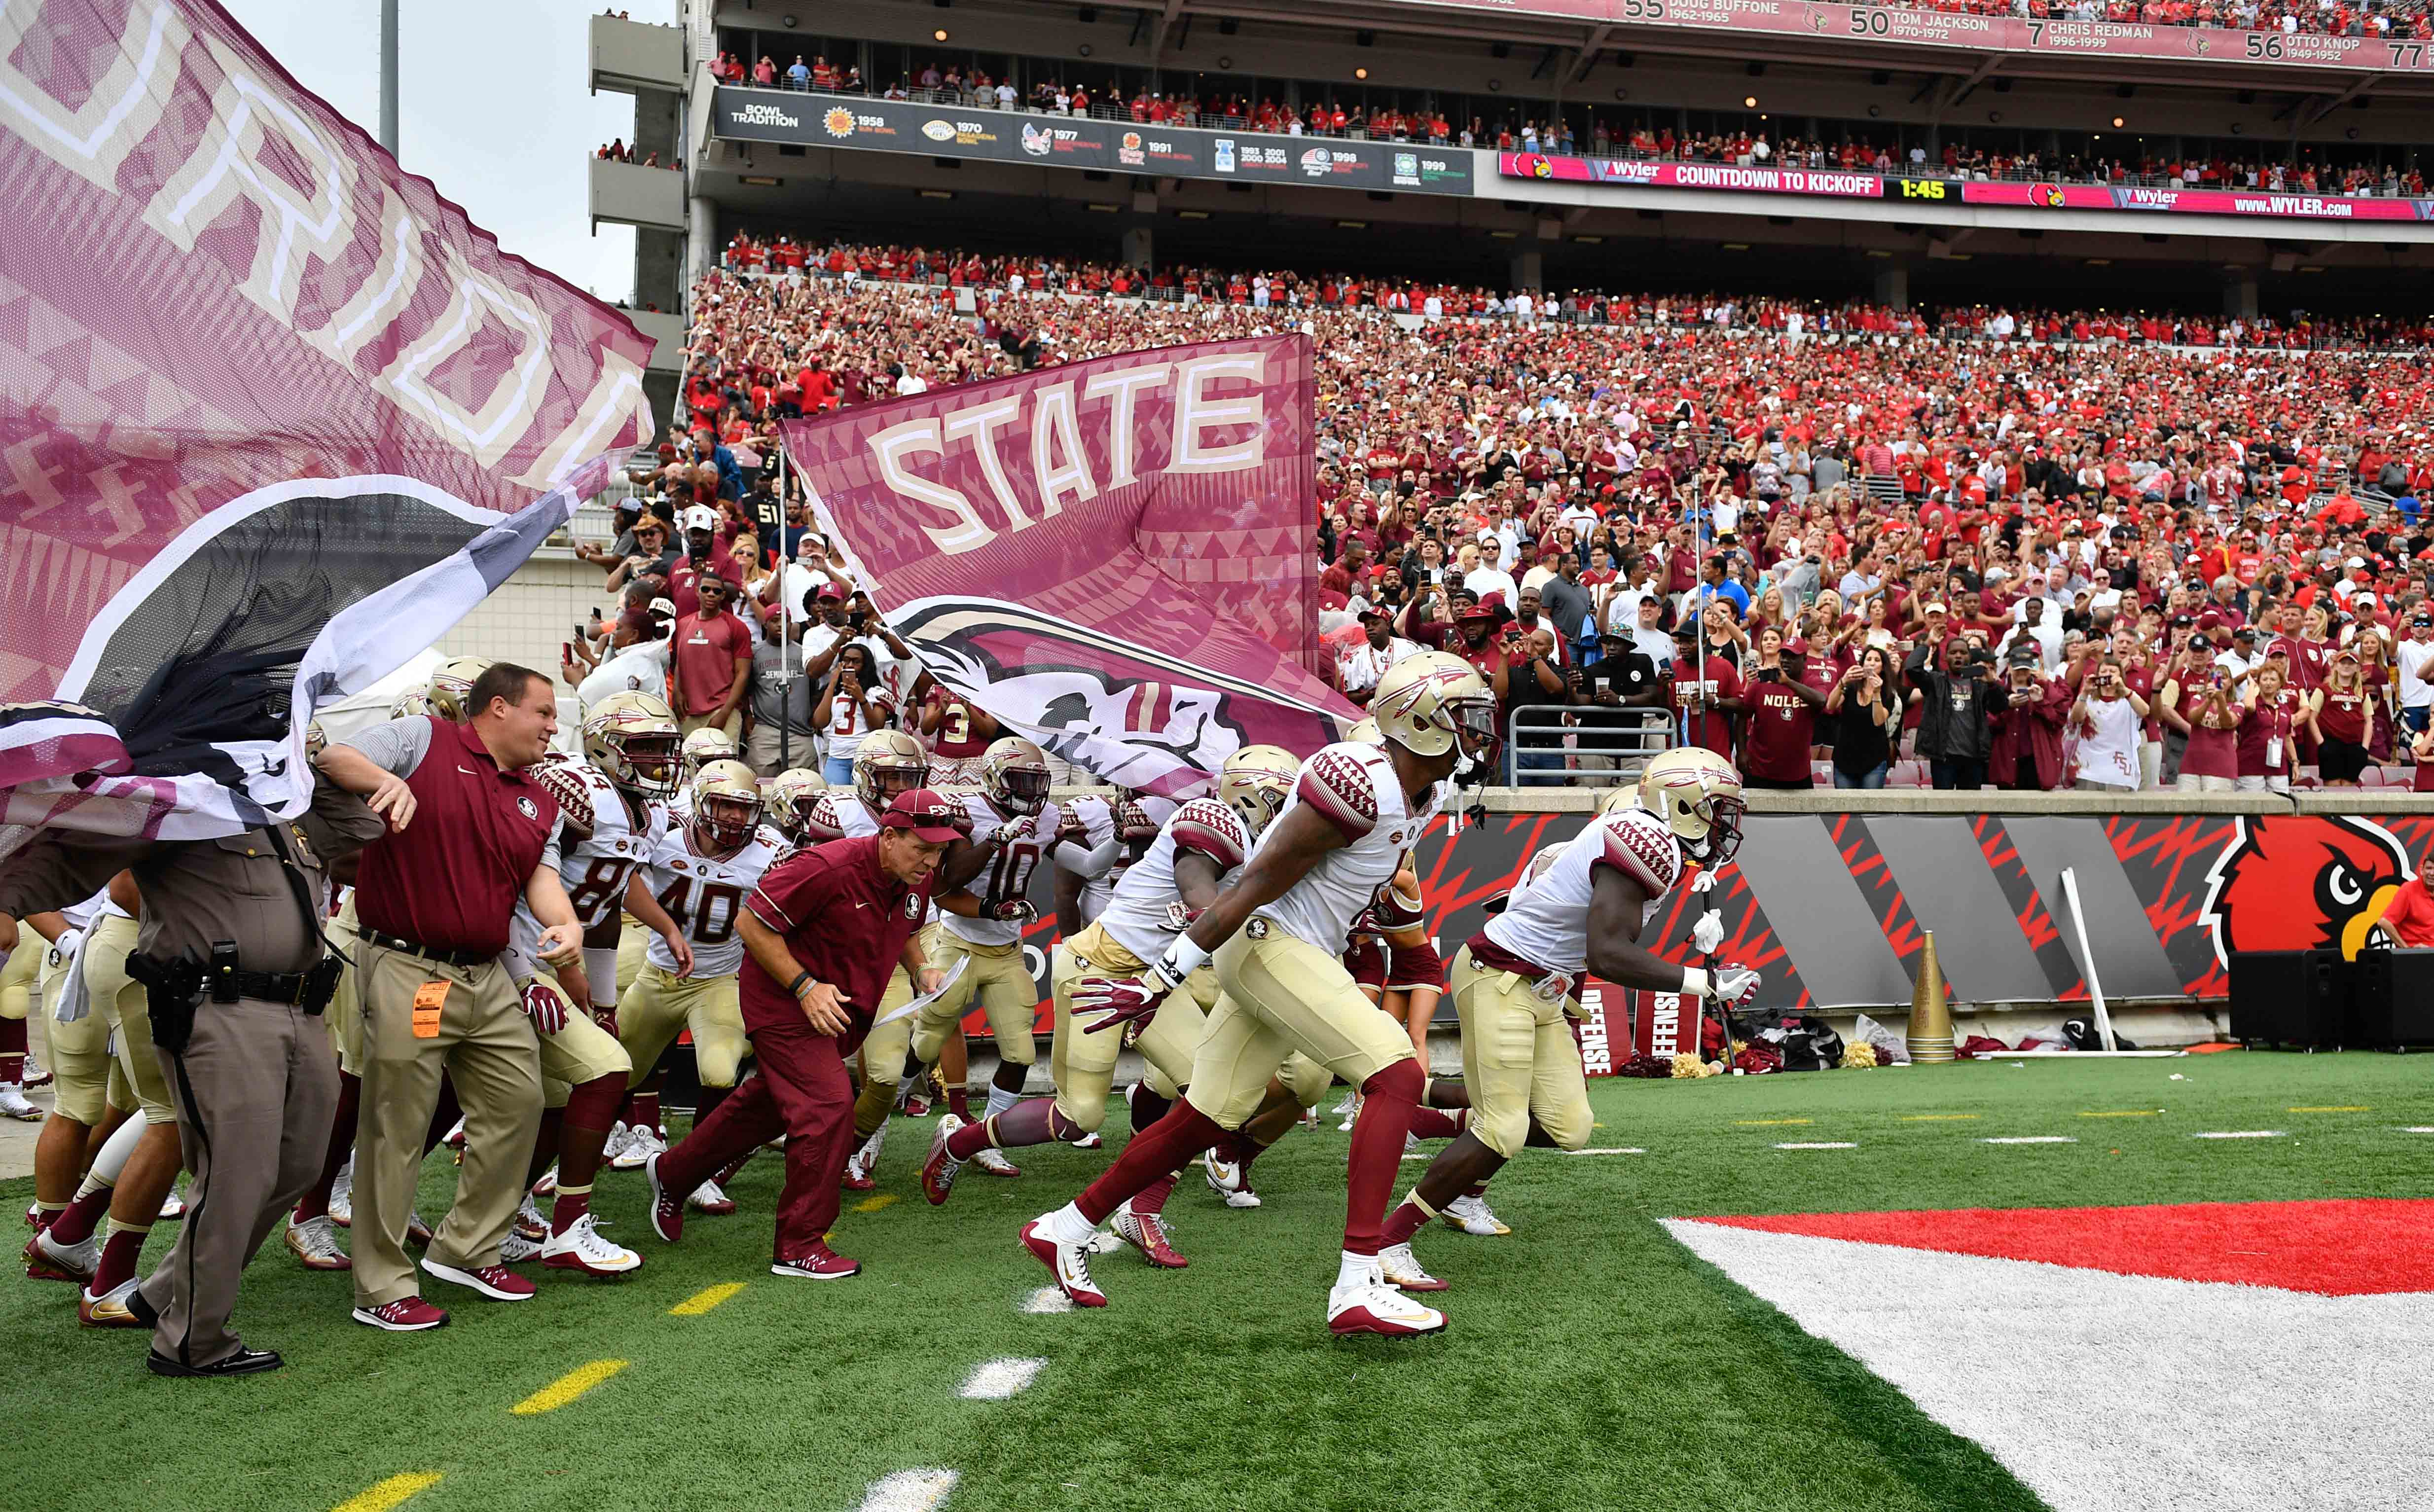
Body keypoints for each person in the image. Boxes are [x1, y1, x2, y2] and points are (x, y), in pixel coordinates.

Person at [1021, 652, 1498, 1337]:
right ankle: (1357, 1280)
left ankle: (1064, 1225)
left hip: (1292, 945)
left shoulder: (1421, 789)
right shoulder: (1359, 781)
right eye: (1466, 717)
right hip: (1271, 940)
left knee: (1207, 1116)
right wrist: (1165, 975)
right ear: (1420, 719)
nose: (1478, 731)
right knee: (1396, 1072)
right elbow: (1251, 886)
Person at [0, 748, 381, 1372]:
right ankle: (191, 1340)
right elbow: (68, 854)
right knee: (238, 1173)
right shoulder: (176, 802)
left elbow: (362, 833)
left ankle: (163, 1293)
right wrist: (6, 901)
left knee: (298, 1167)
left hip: (303, 1008)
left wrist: (338, 769)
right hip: (219, 1008)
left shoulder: (284, 804)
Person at [1378, 753, 1758, 1285]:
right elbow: (1607, 954)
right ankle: (1385, 1242)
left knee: (1569, 1126)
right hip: (1500, 976)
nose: (1725, 824)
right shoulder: (1646, 842)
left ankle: (1438, 1137)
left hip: (1542, 988)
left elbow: (1599, 943)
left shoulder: (1648, 837)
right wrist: (1705, 983)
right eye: (1719, 809)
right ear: (1683, 802)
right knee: (1503, 1127)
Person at [921, 749, 1298, 1269]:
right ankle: (960, 1143)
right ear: (1250, 795)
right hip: (1098, 968)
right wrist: (1223, 922)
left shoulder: (1259, 841)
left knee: (1208, 1097)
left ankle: (1140, 1212)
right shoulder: (1212, 819)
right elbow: (1198, 889)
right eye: (1280, 800)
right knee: (1080, 1117)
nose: (1288, 812)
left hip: (1155, 979)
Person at [315, 663, 586, 1332]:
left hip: (488, 971)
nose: (554, 727)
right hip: (411, 968)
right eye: (544, 713)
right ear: (498, 707)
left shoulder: (539, 797)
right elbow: (330, 754)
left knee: (519, 1101)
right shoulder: (422, 738)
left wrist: (566, 922)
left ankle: (466, 1246)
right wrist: (383, 781)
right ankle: (379, 1287)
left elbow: (541, 880)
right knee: (397, 1125)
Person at [643, 791, 958, 1278]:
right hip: (785, 1004)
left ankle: (671, 1172)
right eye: (923, 848)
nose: (932, 861)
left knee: (764, 1108)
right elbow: (751, 923)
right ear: (890, 837)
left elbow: (909, 931)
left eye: (940, 850)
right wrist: (805, 987)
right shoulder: (826, 867)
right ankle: (799, 1244)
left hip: (839, 1013)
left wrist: (921, 970)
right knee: (829, 1106)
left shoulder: (913, 875)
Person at [615, 759, 788, 1216]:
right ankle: (574, 1155)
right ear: (699, 802)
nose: (733, 817)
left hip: (718, 981)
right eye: (724, 805)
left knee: (719, 1072)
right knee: (616, 1075)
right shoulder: (664, 835)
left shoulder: (770, 850)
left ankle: (699, 1170)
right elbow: (622, 877)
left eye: (743, 808)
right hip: (658, 975)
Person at [1737, 625, 1826, 790]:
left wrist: (1788, 683)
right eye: (1784, 655)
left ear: (1805, 659)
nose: (1786, 660)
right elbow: (1742, 714)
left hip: (1797, 773)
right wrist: (1742, 753)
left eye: (1792, 657)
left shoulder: (1812, 682)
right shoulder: (1764, 680)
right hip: (1760, 770)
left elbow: (1821, 701)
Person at [667, 573, 753, 743]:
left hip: (723, 710)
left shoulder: (737, 627)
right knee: (689, 767)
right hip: (689, 712)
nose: (711, 594)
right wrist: (677, 692)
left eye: (717, 591)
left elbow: (743, 674)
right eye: (706, 590)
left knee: (722, 767)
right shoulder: (683, 624)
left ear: (723, 596)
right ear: (697, 592)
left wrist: (725, 713)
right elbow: (680, 662)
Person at [1907, 638, 2001, 791]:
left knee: (1971, 809)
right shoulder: (1936, 681)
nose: (1958, 656)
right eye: (1953, 652)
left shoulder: (1979, 683)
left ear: (1969, 657)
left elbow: (2000, 707)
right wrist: (1927, 643)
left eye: (1963, 653)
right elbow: (1912, 668)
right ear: (1946, 657)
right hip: (1943, 758)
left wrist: (1992, 684)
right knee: (1944, 809)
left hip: (1973, 758)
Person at [1989, 648, 2069, 792]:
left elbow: (2057, 723)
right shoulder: (1998, 689)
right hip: (2006, 761)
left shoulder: (2043, 688)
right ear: (2010, 667)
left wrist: (2041, 703)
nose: (2022, 673)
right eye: (2018, 668)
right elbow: (1990, 724)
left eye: (2025, 669)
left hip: (2035, 761)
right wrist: (2007, 706)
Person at [2070, 657, 2149, 792]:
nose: (2108, 674)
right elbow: (2076, 718)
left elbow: (2145, 711)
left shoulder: (2129, 699)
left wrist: (2125, 690)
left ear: (2121, 675)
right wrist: (2085, 692)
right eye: (2104, 671)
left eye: (2113, 671)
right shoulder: (2087, 699)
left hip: (2118, 771)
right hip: (2089, 770)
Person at [1826, 645, 1900, 789]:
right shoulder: (1851, 687)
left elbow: (1878, 721)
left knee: (1869, 808)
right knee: (1845, 808)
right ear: (1862, 664)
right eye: (1869, 659)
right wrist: (1843, 681)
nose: (1872, 663)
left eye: (1877, 660)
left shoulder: (1888, 693)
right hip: (1845, 757)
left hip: (1874, 759)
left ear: (1883, 667)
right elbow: (1831, 706)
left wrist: (1877, 693)